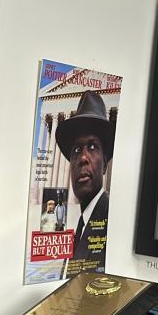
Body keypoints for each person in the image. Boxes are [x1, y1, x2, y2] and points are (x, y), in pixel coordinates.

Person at [55, 90, 114, 276]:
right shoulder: (80, 226)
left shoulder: (113, 223)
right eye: (77, 149)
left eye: (93, 147)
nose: (83, 158)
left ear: (104, 164)